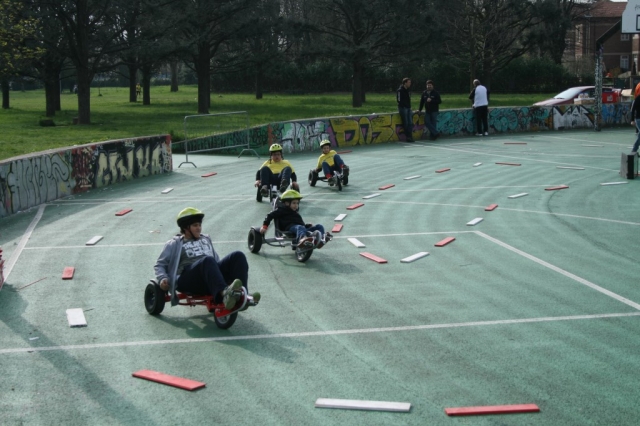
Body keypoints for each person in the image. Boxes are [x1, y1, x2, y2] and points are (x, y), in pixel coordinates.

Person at [154, 207, 260, 310]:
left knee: (238, 255)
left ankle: (242, 295)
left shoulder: (205, 239)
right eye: (195, 225)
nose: (199, 228)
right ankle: (224, 294)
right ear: (186, 227)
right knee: (207, 260)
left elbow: (216, 261)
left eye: (200, 225)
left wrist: (220, 275)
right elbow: (160, 265)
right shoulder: (174, 244)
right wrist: (163, 278)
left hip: (209, 276)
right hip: (188, 279)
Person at [260, 189, 331, 249]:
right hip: (289, 228)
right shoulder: (281, 210)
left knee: (319, 226)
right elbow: (269, 215)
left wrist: (306, 226)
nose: (296, 205)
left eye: (297, 203)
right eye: (294, 203)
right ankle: (302, 240)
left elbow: (300, 224)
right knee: (299, 227)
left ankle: (320, 240)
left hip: (300, 229)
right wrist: (265, 226)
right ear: (287, 203)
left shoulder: (295, 213)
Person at [396, 77, 414, 142]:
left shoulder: (408, 90)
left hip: (408, 108)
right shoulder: (400, 90)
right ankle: (408, 136)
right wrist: (404, 105)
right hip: (403, 108)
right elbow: (399, 100)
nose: (410, 84)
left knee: (410, 122)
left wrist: (409, 106)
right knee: (405, 122)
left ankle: (410, 136)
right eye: (409, 82)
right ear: (405, 83)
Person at [630, 90, 640, 156]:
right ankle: (634, 149)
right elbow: (632, 109)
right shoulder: (637, 99)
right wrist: (632, 120)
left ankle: (634, 149)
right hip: (639, 118)